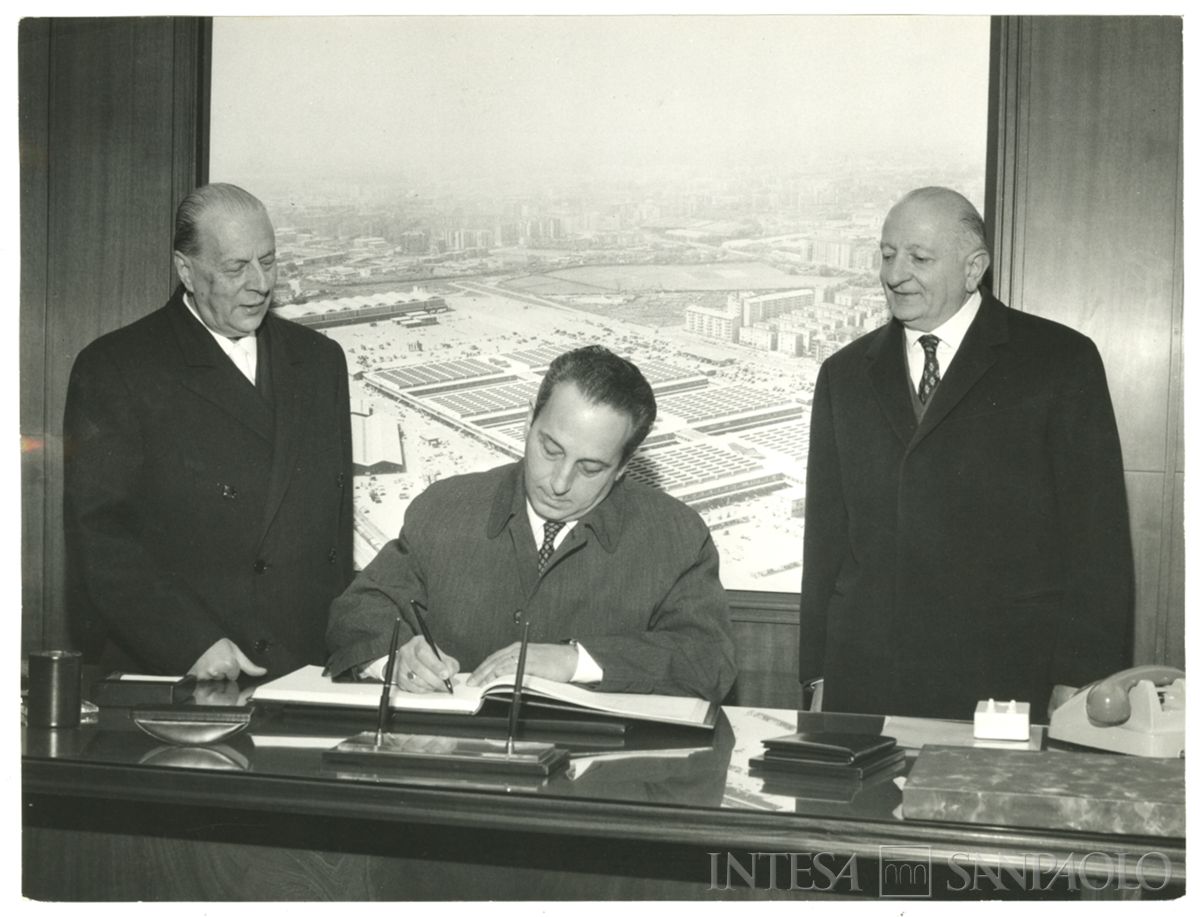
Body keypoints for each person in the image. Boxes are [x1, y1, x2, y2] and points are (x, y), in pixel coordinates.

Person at [799, 186, 1133, 722]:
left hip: (1005, 682)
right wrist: (817, 672)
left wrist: (1080, 677)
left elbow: (1097, 539)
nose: (894, 273)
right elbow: (826, 537)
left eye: (919, 258)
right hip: (866, 684)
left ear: (974, 267)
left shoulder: (1059, 361)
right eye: (887, 254)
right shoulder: (844, 374)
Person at [325, 345, 737, 703]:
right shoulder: (445, 508)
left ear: (623, 467)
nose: (559, 483)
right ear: (528, 422)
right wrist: (395, 659)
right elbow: (357, 613)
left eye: (591, 467)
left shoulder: (677, 536)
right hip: (454, 768)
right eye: (550, 449)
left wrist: (574, 661)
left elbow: (708, 661)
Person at [63, 183, 353, 680]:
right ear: (186, 271)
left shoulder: (321, 361)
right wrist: (190, 643)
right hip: (181, 672)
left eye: (269, 260)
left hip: (305, 672)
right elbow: (102, 540)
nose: (261, 284)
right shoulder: (117, 368)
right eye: (237, 267)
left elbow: (335, 534)